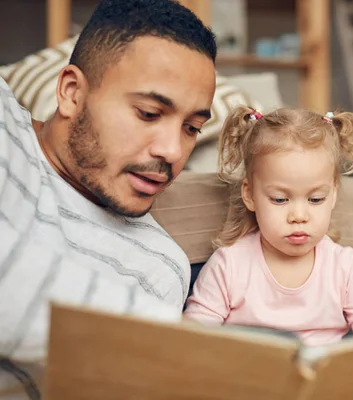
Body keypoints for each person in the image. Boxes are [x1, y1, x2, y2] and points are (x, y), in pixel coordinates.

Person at [0, 0, 217, 397]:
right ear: (71, 92)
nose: (172, 151)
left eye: (191, 128)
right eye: (149, 113)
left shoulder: (158, 266)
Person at [184, 107, 353, 346]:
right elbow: (194, 336)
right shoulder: (229, 265)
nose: (298, 216)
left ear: (333, 194)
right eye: (280, 199)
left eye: (316, 199)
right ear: (250, 195)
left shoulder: (343, 266)